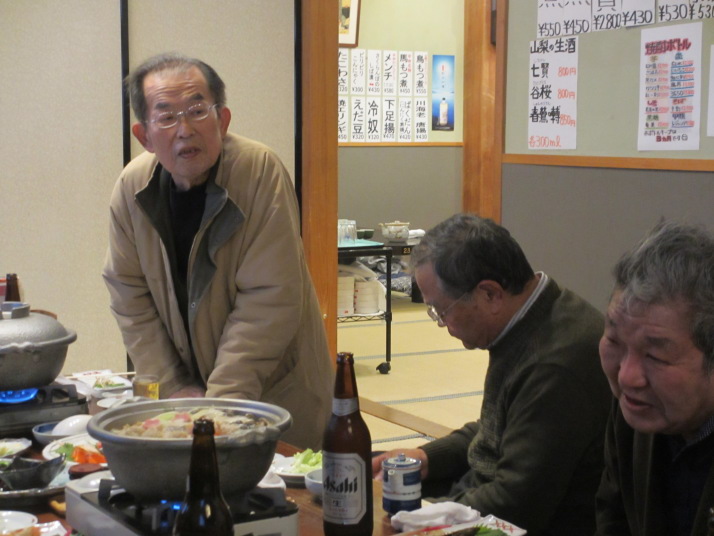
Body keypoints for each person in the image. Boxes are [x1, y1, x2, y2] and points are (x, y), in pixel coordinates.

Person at [102, 52, 333, 449]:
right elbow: (129, 295)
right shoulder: (132, 188)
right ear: (144, 136)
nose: (185, 130)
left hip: (272, 393)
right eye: (166, 117)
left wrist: (219, 408)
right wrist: (174, 388)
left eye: (197, 111)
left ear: (222, 120)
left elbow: (269, 299)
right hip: (189, 402)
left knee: (282, 483)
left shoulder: (258, 172)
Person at [372, 213, 612, 535]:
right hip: (492, 495)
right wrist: (425, 457)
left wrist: (425, 515)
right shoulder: (537, 313)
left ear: (490, 294)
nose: (442, 323)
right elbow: (500, 428)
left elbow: (515, 504)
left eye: (441, 310)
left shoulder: (554, 366)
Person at [595, 220, 714, 536]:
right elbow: (613, 520)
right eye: (614, 341)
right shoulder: (635, 410)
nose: (627, 377)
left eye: (655, 357)